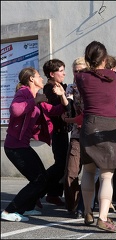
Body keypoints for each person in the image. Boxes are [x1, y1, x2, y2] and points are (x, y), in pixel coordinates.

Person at [1, 67, 69, 222]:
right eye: (39, 76)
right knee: (38, 179)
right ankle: (9, 211)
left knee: (42, 178)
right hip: (14, 146)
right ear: (31, 79)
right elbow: (15, 110)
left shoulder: (36, 95)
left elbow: (53, 110)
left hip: (22, 145)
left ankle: (29, 207)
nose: (42, 79)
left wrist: (64, 97)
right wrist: (34, 101)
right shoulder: (24, 92)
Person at [75, 40, 116, 233]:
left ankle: (87, 212)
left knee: (87, 172)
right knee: (106, 175)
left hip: (89, 124)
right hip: (110, 124)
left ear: (87, 58)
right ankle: (103, 217)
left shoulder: (80, 77)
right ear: (105, 58)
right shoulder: (114, 76)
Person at [42, 59, 70, 206]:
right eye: (61, 70)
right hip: (58, 131)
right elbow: (55, 109)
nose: (64, 73)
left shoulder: (59, 86)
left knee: (63, 163)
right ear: (52, 74)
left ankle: (53, 193)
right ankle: (40, 185)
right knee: (61, 164)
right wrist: (65, 98)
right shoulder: (49, 88)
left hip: (63, 130)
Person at [62, 57, 87, 218]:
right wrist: (62, 96)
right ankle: (74, 206)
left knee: (95, 173)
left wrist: (71, 119)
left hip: (93, 134)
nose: (77, 74)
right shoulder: (71, 87)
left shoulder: (92, 87)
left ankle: (88, 205)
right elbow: (68, 104)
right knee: (71, 172)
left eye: (81, 71)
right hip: (77, 135)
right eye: (75, 71)